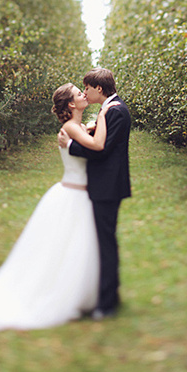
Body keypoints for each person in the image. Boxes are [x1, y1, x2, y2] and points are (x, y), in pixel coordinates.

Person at [0, 83, 117, 331]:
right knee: (67, 247)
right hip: (73, 196)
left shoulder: (77, 127)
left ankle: (80, 294)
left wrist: (92, 124)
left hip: (81, 196)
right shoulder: (70, 128)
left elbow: (88, 135)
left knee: (78, 248)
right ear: (70, 104)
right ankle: (64, 296)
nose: (84, 95)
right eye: (79, 93)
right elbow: (98, 145)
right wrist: (103, 115)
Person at [58, 68, 131, 321]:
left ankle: (108, 303)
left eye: (86, 88)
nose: (85, 93)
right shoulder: (108, 110)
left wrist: (71, 146)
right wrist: (88, 129)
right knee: (101, 242)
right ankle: (107, 295)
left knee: (106, 243)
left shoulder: (116, 111)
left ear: (98, 89)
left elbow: (102, 150)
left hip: (108, 187)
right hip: (101, 187)